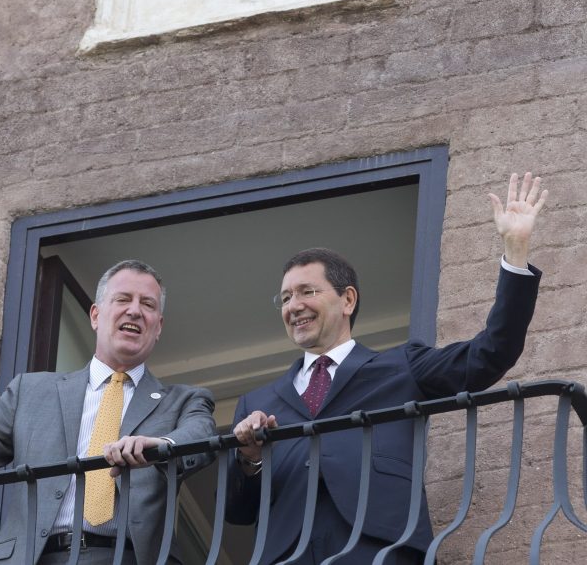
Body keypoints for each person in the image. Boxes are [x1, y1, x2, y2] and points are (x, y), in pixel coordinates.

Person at [226, 172, 548, 565]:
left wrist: (515, 251)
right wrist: (249, 456)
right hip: (285, 555)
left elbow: (490, 353)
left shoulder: (401, 365)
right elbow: (237, 512)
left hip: (379, 550)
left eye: (307, 291)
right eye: (285, 297)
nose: (293, 305)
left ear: (347, 300)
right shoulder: (256, 402)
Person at [0, 260, 217, 564]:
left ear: (158, 327)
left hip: (128, 555)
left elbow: (201, 435)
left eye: (147, 305)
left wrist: (159, 445)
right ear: (96, 315)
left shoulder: (183, 401)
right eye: (123, 299)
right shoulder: (31, 391)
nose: (134, 311)